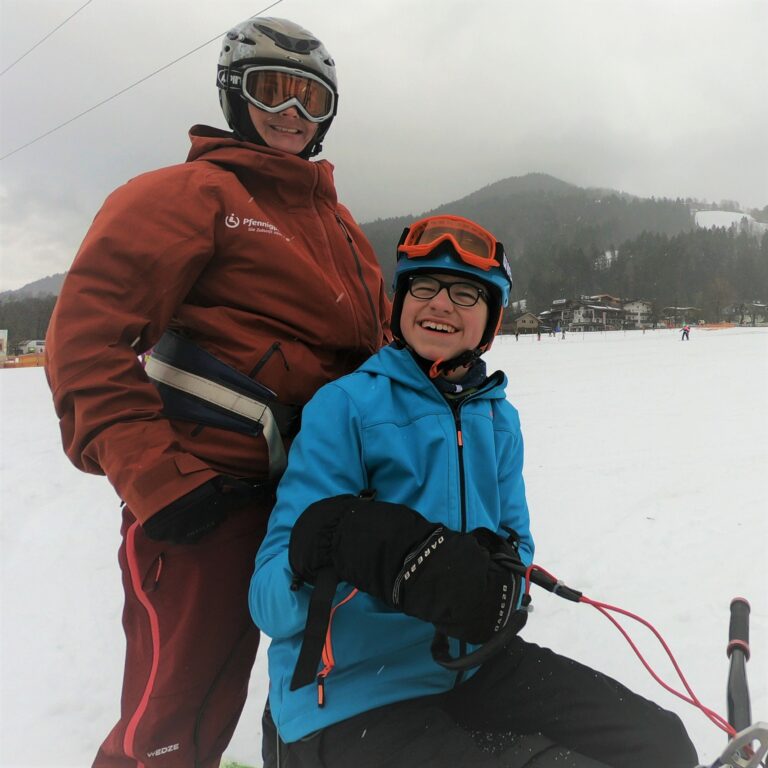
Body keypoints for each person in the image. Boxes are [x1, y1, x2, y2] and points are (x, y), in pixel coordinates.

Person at [45, 16, 390, 768]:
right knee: (179, 705)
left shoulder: (338, 225)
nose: (291, 114)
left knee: (328, 674)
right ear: (234, 95)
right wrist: (161, 480)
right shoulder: (185, 195)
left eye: (310, 100)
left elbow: (376, 350)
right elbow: (87, 341)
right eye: (272, 91)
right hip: (210, 501)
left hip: (315, 496)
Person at [249, 214, 698, 768]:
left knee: (660, 742)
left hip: (475, 666)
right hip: (349, 694)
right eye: (424, 287)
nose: (441, 304)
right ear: (400, 302)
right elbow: (268, 601)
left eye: (465, 293)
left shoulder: (498, 419)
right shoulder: (345, 407)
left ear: (490, 318)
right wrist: (338, 545)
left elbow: (517, 543)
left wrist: (498, 583)